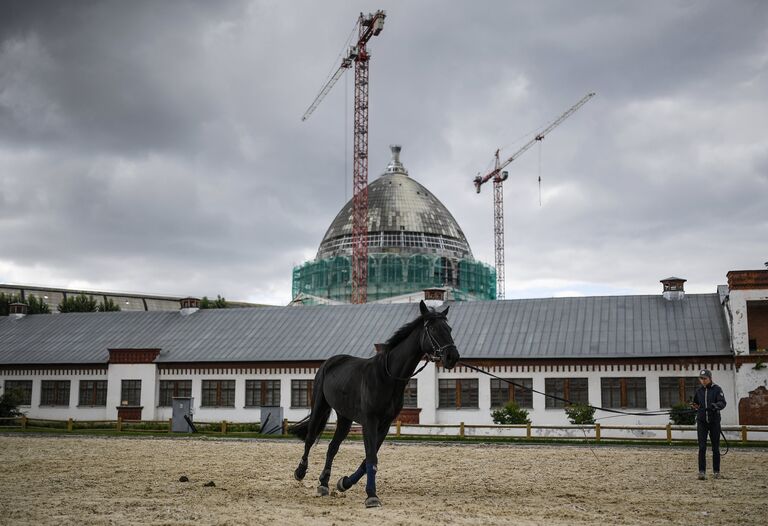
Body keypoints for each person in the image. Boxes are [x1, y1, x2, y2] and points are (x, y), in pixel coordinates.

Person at [690, 369, 727, 480]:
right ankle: (702, 472)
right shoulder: (699, 391)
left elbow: (722, 403)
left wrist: (715, 406)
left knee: (715, 448)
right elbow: (696, 403)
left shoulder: (717, 389)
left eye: (705, 378)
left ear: (710, 378)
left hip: (714, 421)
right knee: (702, 447)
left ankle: (716, 472)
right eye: (701, 379)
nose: (703, 381)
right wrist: (694, 406)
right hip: (701, 422)